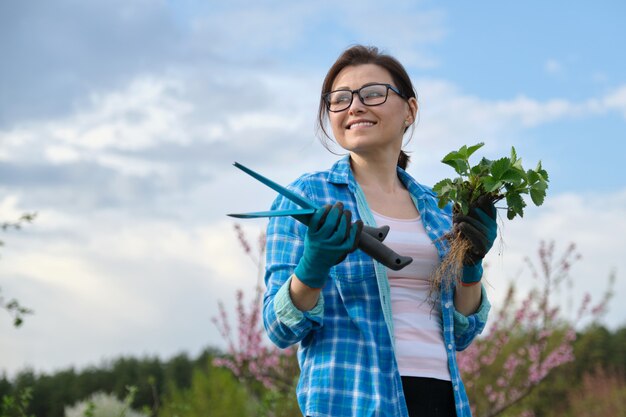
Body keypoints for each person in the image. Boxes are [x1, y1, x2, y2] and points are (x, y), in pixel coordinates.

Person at [262, 45, 497, 417]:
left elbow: (462, 332)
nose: (354, 106)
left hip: (441, 401)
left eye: (372, 93)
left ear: (410, 110)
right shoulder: (306, 198)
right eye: (339, 100)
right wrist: (312, 267)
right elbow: (279, 329)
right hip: (352, 402)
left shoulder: (439, 209)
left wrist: (470, 268)